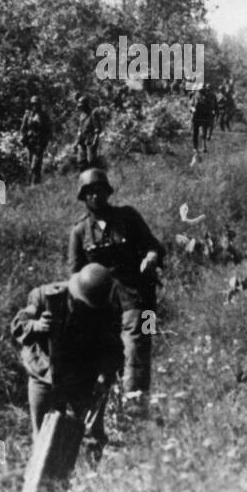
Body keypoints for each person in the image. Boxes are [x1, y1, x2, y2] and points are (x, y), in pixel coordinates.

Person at [67, 169, 165, 412]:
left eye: (99, 190)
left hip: (135, 295)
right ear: (83, 197)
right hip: (100, 302)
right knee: (105, 351)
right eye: (89, 192)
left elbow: (154, 246)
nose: (95, 197)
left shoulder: (128, 217)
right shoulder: (79, 231)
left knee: (137, 344)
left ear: (107, 192)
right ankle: (105, 407)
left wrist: (150, 258)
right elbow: (75, 274)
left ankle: (135, 404)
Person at [10, 262, 123, 439]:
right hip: (44, 373)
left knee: (93, 432)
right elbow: (18, 325)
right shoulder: (44, 297)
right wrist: (35, 326)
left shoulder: (106, 309)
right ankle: (44, 466)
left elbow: (113, 347)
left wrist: (105, 375)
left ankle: (90, 465)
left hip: (81, 375)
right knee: (42, 434)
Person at [19, 95, 52, 185]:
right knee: (31, 164)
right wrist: (22, 137)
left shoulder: (44, 116)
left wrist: (46, 141)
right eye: (33, 104)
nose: (35, 106)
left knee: (35, 164)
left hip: (39, 143)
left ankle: (34, 183)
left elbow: (48, 130)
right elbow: (23, 128)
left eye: (37, 104)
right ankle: (33, 184)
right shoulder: (28, 115)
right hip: (30, 143)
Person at [73, 96, 102, 169]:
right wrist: (76, 142)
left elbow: (97, 130)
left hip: (90, 141)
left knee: (91, 162)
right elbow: (80, 129)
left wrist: (95, 141)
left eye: (82, 106)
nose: (81, 108)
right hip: (82, 140)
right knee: (81, 162)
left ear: (86, 105)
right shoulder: (82, 115)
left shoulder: (93, 114)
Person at [190, 85, 217, 157]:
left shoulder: (207, 96)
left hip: (202, 117)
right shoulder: (195, 95)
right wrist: (193, 110)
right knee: (196, 133)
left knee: (202, 133)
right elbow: (191, 106)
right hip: (197, 117)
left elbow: (210, 106)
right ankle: (196, 147)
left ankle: (202, 147)